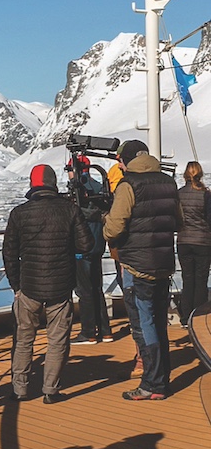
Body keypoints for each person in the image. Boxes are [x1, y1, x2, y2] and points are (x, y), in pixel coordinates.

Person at [1, 162, 86, 401]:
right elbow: (86, 245)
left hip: (28, 288)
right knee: (57, 340)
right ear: (53, 184)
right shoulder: (69, 209)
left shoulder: (19, 213)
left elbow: (9, 252)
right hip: (60, 288)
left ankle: (20, 389)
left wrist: (16, 285)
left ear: (32, 185)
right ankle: (50, 390)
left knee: (23, 339)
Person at [106, 139, 182, 399]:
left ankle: (152, 383)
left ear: (126, 160)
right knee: (159, 321)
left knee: (146, 322)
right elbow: (178, 220)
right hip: (163, 262)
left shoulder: (129, 184)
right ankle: (162, 380)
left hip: (138, 266)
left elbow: (115, 226)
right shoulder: (169, 182)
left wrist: (107, 228)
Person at [71, 151, 115, 341]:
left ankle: (88, 332)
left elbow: (79, 215)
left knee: (84, 290)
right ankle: (105, 330)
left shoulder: (79, 190)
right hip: (98, 244)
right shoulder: (100, 186)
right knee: (96, 288)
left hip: (83, 246)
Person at [180, 159, 210, 322]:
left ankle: (185, 316)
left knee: (187, 279)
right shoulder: (206, 194)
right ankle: (198, 316)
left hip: (184, 241)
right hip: (203, 241)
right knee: (201, 280)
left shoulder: (179, 193)